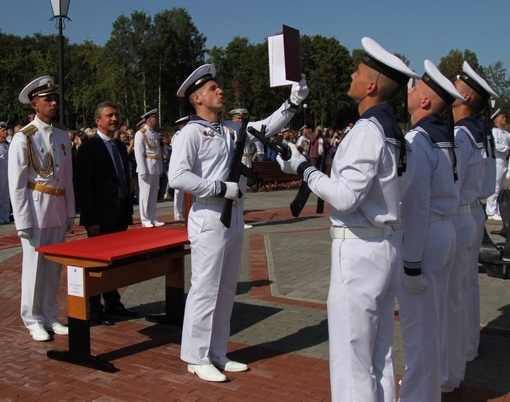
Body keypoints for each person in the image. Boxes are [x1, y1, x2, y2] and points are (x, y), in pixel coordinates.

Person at [276, 37, 419, 401]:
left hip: (359, 249)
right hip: (384, 244)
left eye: (358, 71)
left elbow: (344, 195)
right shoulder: (392, 132)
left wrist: (302, 167)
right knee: (379, 354)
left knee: (351, 360)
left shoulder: (367, 131)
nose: (351, 75)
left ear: (371, 86)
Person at [168, 63, 308, 382]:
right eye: (213, 89)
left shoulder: (231, 130)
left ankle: (217, 351)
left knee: (227, 287)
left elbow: (267, 126)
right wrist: (218, 187)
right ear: (197, 98)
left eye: (218, 86)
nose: (220, 91)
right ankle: (196, 355)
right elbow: (177, 176)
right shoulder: (190, 133)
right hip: (209, 214)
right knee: (205, 287)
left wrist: (293, 101)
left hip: (233, 215)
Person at [397, 60, 464, 402]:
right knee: (433, 322)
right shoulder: (442, 135)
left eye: (416, 87)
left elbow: (416, 204)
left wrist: (410, 262)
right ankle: (430, 389)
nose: (409, 89)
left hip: (426, 236)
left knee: (418, 330)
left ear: (425, 102)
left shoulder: (419, 139)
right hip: (444, 232)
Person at [441, 62, 499, 393]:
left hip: (461, 213)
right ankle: (468, 347)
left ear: (464, 95)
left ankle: (453, 363)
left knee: (454, 291)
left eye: (455, 82)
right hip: (474, 211)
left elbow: (451, 180)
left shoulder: (462, 133)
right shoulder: (480, 131)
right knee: (468, 286)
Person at [8, 76, 75, 341]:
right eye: (48, 99)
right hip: (35, 210)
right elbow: (18, 184)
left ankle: (50, 314)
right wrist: (22, 220)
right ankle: (32, 318)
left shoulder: (61, 134)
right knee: (34, 267)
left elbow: (68, 176)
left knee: (53, 268)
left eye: (55, 98)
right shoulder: (23, 137)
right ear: (35, 104)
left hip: (57, 207)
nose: (54, 102)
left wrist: (70, 211)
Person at [75, 101, 138, 326]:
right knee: (97, 265)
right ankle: (94, 308)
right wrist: (90, 219)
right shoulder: (89, 148)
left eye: (116, 114)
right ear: (98, 121)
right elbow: (83, 186)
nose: (114, 118)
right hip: (99, 219)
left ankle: (113, 303)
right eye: (109, 115)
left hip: (119, 214)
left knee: (114, 264)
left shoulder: (120, 146)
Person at [134, 108, 164, 227]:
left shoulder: (155, 134)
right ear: (149, 119)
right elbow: (139, 153)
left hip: (155, 167)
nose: (156, 121)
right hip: (146, 167)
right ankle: (145, 219)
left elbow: (158, 153)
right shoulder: (141, 133)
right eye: (155, 118)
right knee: (145, 195)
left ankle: (153, 217)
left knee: (153, 195)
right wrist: (142, 170)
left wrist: (160, 168)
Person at [486, 108, 510, 220]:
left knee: (500, 187)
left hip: (504, 160)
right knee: (495, 186)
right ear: (496, 120)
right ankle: (491, 211)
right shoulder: (494, 132)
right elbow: (495, 145)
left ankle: (499, 209)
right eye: (502, 117)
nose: (504, 119)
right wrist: (507, 148)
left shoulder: (506, 133)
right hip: (497, 160)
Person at [169, 116, 189, 221]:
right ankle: (178, 213)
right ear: (182, 125)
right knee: (179, 191)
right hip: (179, 164)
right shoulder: (178, 135)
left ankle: (185, 211)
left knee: (187, 191)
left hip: (187, 164)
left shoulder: (186, 134)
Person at [0, 121, 10, 224]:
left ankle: (6, 216)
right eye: (3, 130)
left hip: (9, 172)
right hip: (1, 171)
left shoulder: (9, 145)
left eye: (5, 130)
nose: (5, 132)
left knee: (7, 196)